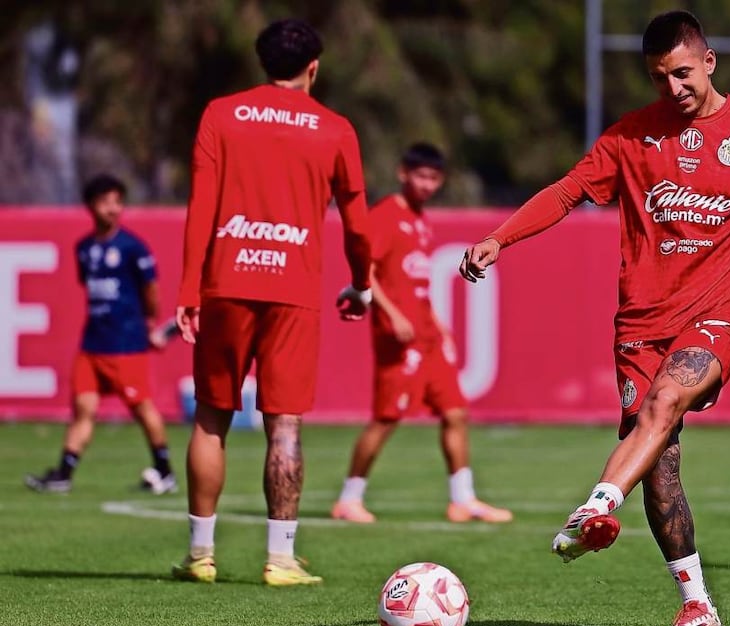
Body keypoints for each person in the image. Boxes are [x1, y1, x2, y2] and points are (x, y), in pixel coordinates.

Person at [460, 10, 730, 626]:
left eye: (681, 73)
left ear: (709, 61)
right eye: (658, 78)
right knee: (660, 462)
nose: (672, 88)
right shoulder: (629, 138)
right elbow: (568, 191)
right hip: (640, 325)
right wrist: (498, 238)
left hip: (717, 315)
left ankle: (594, 507)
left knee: (665, 400)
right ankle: (698, 605)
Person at [171, 18, 373, 587]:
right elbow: (357, 227)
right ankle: (280, 559)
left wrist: (189, 291)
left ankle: (200, 555)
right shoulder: (334, 129)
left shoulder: (221, 114)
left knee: (211, 418)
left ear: (263, 63)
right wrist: (362, 283)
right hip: (293, 289)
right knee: (284, 425)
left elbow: (201, 208)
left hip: (225, 283)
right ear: (314, 67)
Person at [331, 143, 512, 525]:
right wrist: (392, 314)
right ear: (403, 173)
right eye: (420, 176)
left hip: (428, 337)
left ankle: (462, 499)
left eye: (433, 178)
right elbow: (367, 273)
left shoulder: (421, 220)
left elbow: (417, 280)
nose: (427, 184)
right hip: (397, 339)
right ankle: (349, 498)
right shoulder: (384, 217)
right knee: (386, 418)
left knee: (455, 413)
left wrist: (439, 324)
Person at [25, 174, 177, 495]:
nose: (113, 209)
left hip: (126, 343)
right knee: (83, 409)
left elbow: (150, 288)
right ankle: (64, 473)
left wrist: (150, 323)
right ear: (91, 206)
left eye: (118, 202)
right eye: (106, 202)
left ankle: (165, 470)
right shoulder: (83, 248)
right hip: (92, 343)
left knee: (141, 407)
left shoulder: (133, 247)